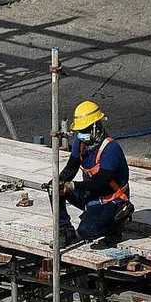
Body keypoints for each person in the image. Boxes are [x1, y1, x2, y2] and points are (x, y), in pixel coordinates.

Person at [51, 100, 133, 246]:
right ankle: (65, 230)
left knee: (87, 231)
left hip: (111, 199)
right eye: (80, 131)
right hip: (91, 195)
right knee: (55, 189)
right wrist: (60, 182)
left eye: (85, 130)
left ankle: (113, 226)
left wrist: (73, 185)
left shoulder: (111, 149)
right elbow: (71, 167)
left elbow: (99, 182)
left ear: (96, 127)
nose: (81, 134)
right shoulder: (80, 143)